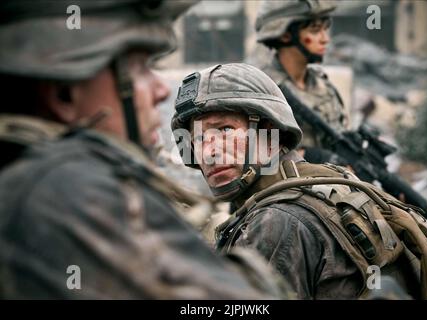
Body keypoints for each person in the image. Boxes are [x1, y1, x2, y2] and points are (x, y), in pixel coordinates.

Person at [0, 0, 288, 299]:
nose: (161, 90)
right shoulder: (71, 190)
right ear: (64, 95)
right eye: (140, 69)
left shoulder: (26, 179)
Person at [171, 62, 427, 299]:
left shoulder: (275, 222)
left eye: (224, 129)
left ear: (270, 132)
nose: (209, 151)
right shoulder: (324, 184)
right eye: (197, 138)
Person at [252, 0, 349, 165]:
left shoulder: (324, 87)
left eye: (325, 29)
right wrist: (310, 155)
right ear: (285, 34)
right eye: (315, 30)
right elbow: (255, 155)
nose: (325, 39)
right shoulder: (260, 89)